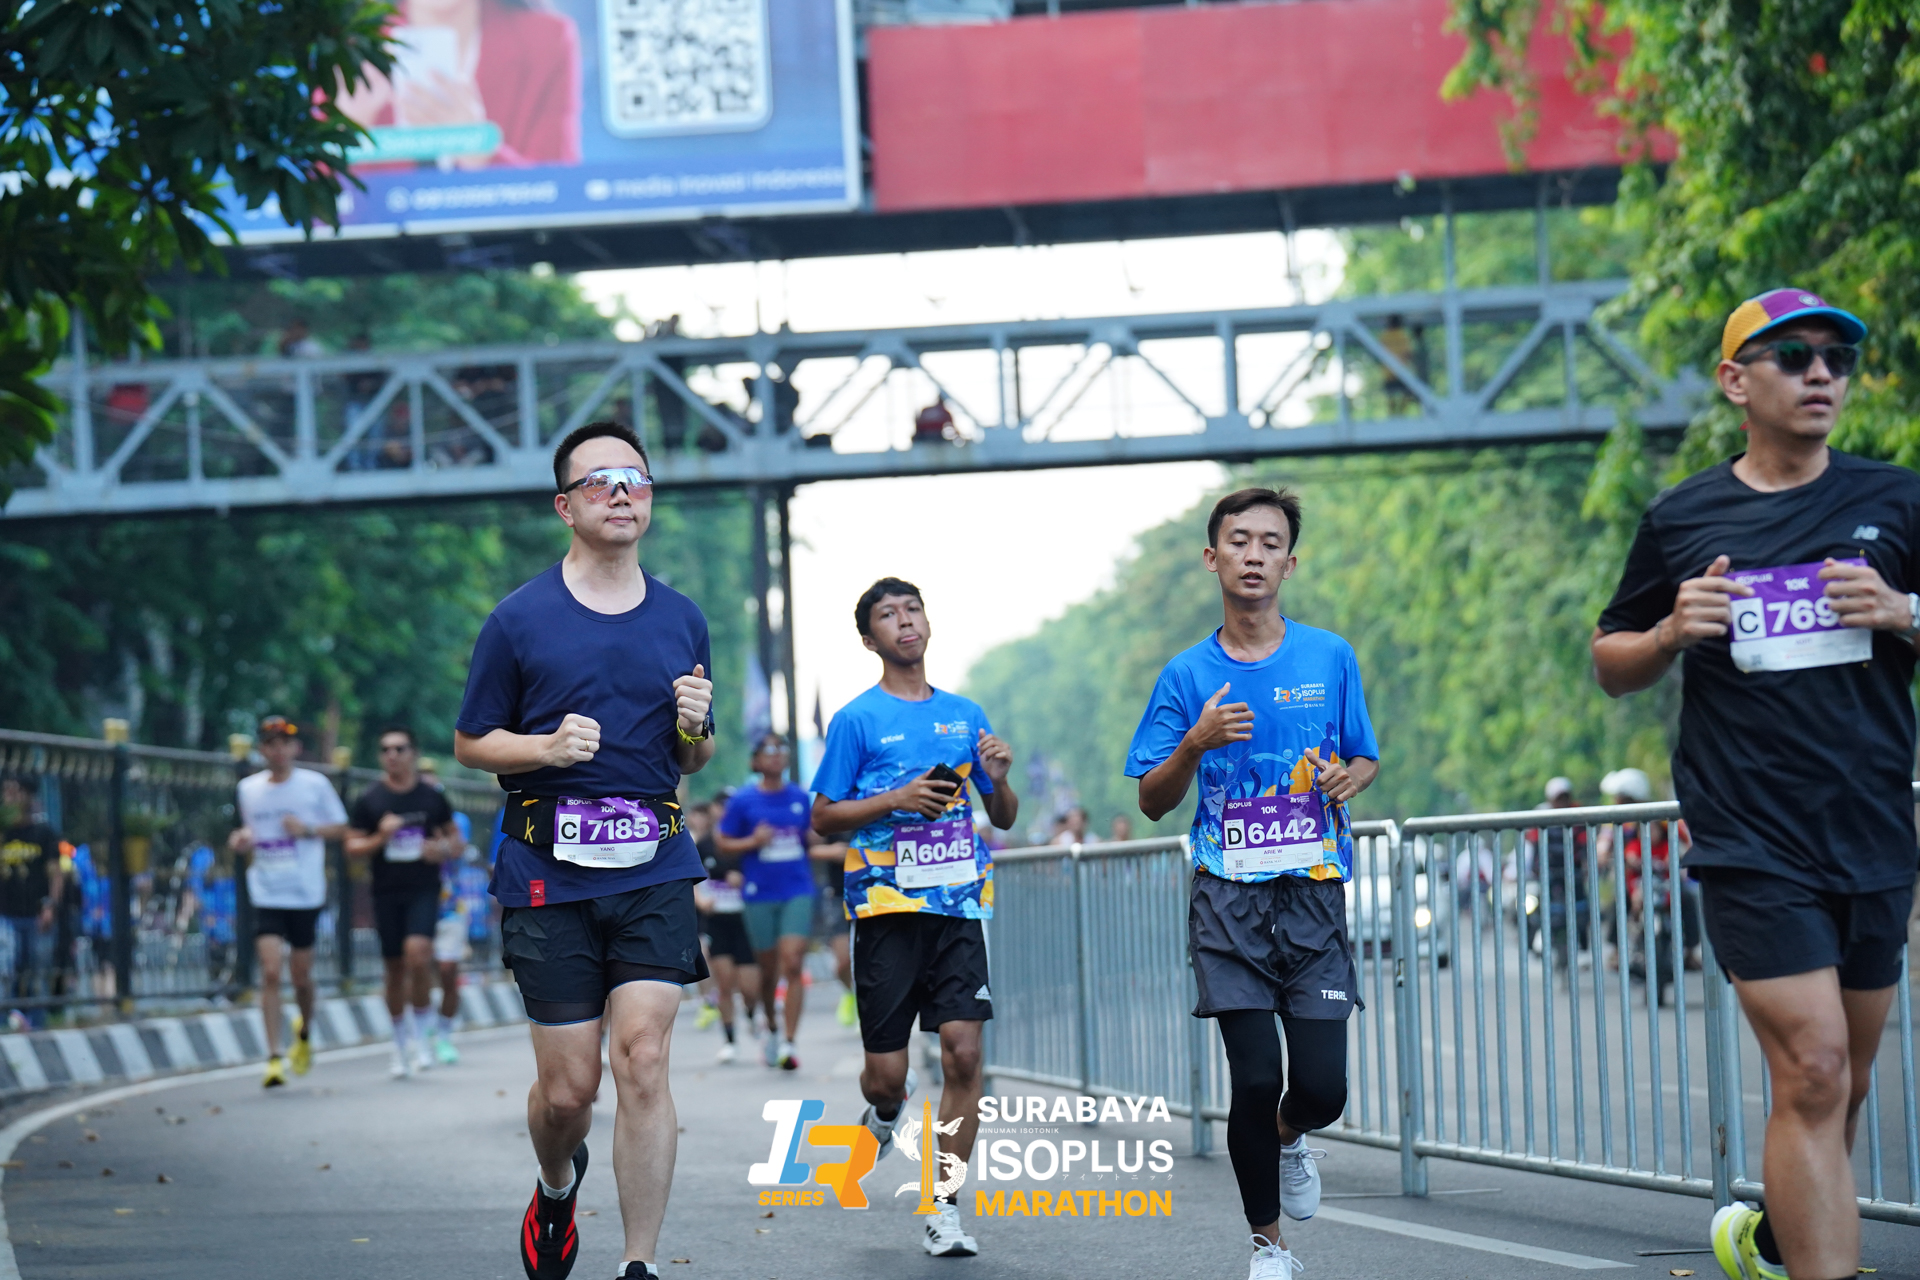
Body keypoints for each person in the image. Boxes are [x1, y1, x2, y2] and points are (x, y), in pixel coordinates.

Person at [1590, 289, 1913, 1280]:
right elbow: (1610, 659)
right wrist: (1667, 631)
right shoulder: (1683, 515)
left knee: (1844, 1080)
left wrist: (1903, 609)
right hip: (1750, 838)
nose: (1821, 373)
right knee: (1813, 1065)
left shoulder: (1897, 499)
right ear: (1736, 380)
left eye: (1836, 358)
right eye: (1794, 355)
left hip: (1872, 828)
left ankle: (1773, 1239)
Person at [453, 420, 715, 1280]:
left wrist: (695, 728)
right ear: (566, 506)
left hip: (655, 864)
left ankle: (639, 1263)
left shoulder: (682, 618)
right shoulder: (518, 619)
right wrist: (544, 748)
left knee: (643, 1055)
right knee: (569, 1093)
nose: (621, 493)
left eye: (635, 479)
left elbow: (694, 757)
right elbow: (471, 741)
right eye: (600, 480)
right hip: (547, 871)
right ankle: (556, 1184)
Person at [1126, 488, 1379, 1280]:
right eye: (1239, 541)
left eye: (1271, 542)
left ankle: (1291, 1135)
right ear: (1214, 558)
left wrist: (1350, 778)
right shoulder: (1185, 674)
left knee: (1322, 1089)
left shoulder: (1329, 656)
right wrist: (1194, 743)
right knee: (1256, 1075)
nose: (1255, 554)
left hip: (1312, 894)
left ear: (1289, 564)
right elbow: (1152, 799)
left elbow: (1364, 755)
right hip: (1227, 899)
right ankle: (1269, 1246)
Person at [813, 577, 1018, 1259]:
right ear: (869, 639)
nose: (905, 621)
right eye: (887, 615)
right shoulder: (856, 720)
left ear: (927, 622)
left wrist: (1000, 778)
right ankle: (884, 1111)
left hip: (957, 905)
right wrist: (895, 799)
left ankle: (943, 1205)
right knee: (887, 1076)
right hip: (886, 911)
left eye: (912, 609)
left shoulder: (965, 714)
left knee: (964, 1053)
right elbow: (822, 818)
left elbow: (1003, 815)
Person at [226, 716, 349, 1089]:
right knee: (270, 972)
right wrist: (241, 839)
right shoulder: (248, 789)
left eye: (284, 743)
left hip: (304, 892)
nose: (277, 750)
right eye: (270, 743)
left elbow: (342, 827)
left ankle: (305, 1031)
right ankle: (273, 1057)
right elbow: (247, 831)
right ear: (261, 749)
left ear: (295, 748)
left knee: (300, 977)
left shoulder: (315, 784)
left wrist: (308, 829)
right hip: (266, 890)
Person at [332, 0, 582, 169]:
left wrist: (481, 151)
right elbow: (317, 203)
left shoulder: (547, 41)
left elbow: (564, 192)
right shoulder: (348, 42)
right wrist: (347, 128)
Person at [346, 727, 464, 1079]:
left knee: (418, 955)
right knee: (395, 969)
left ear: (413, 753)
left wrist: (441, 849)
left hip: (423, 889)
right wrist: (381, 836)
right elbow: (352, 847)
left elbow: (456, 842)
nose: (392, 755)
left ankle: (422, 1039)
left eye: (399, 749)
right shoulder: (370, 799)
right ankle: (399, 1044)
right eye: (385, 750)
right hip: (386, 892)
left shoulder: (431, 797)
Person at [715, 734, 819, 1071]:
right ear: (755, 761)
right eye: (769, 750)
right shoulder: (743, 800)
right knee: (768, 969)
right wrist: (753, 841)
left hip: (797, 889)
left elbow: (810, 838)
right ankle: (771, 1026)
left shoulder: (800, 797)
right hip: (759, 892)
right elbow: (722, 843)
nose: (776, 755)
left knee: (793, 961)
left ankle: (790, 1041)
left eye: (782, 748)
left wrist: (817, 839)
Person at [692, 800, 761, 1063]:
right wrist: (701, 901)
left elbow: (764, 875)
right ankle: (730, 1040)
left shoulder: (748, 841)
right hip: (717, 920)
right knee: (724, 983)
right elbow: (692, 879)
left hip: (745, 919)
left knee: (749, 988)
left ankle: (752, 1014)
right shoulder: (703, 845)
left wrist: (744, 881)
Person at [0, 779, 63, 1013]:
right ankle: (8, 1018)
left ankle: (37, 1019)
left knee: (37, 970)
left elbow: (56, 874)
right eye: (6, 792)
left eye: (15, 792)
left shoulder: (43, 833)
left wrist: (50, 905)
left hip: (36, 914)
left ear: (28, 796)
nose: (10, 798)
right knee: (7, 967)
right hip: (6, 913)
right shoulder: (3, 834)